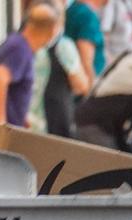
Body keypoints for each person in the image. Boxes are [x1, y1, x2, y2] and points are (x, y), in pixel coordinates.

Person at [0, 5, 61, 126]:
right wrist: (0, 125)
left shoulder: (20, 46)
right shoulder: (19, 49)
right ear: (52, 31)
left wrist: (20, 117)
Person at [29, 2, 90, 136]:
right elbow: (81, 85)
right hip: (54, 121)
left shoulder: (24, 41)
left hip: (27, 121)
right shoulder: (63, 46)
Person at [67, 0, 109, 84]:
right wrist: (91, 90)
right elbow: (86, 61)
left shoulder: (72, 9)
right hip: (83, 84)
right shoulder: (87, 16)